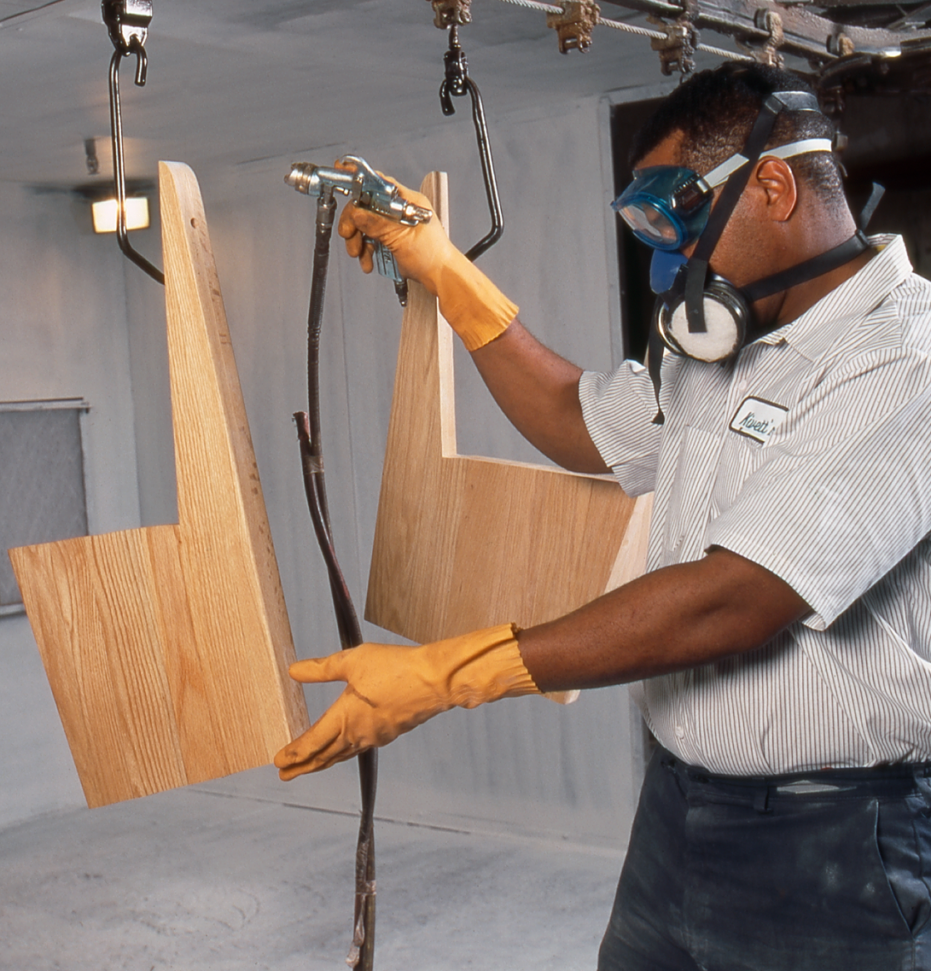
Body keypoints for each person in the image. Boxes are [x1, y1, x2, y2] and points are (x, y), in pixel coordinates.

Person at [274, 61, 931, 969]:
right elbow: (576, 423)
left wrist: (443, 674)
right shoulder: (722, 350)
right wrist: (443, 267)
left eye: (677, 216)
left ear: (772, 185)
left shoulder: (905, 359)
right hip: (675, 817)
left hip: (837, 845)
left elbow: (735, 596)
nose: (667, 259)